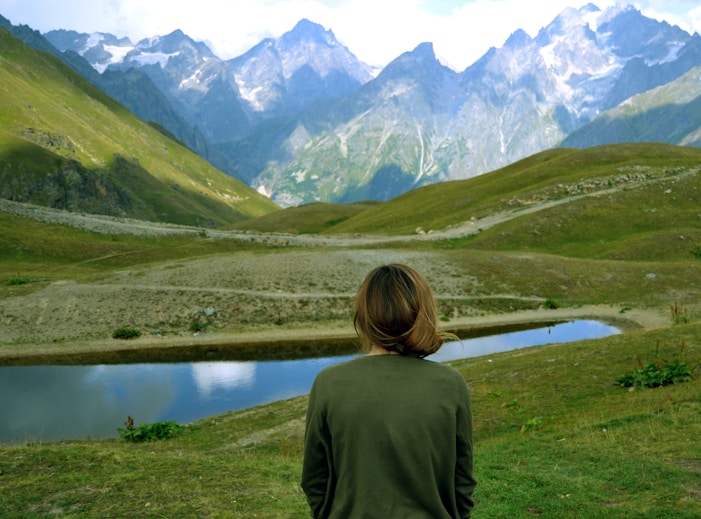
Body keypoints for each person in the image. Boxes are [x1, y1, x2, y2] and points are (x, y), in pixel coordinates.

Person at [301, 264, 476, 518]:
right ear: (424, 313)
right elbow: (463, 481)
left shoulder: (328, 382)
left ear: (364, 316)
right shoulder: (451, 383)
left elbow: (314, 480)